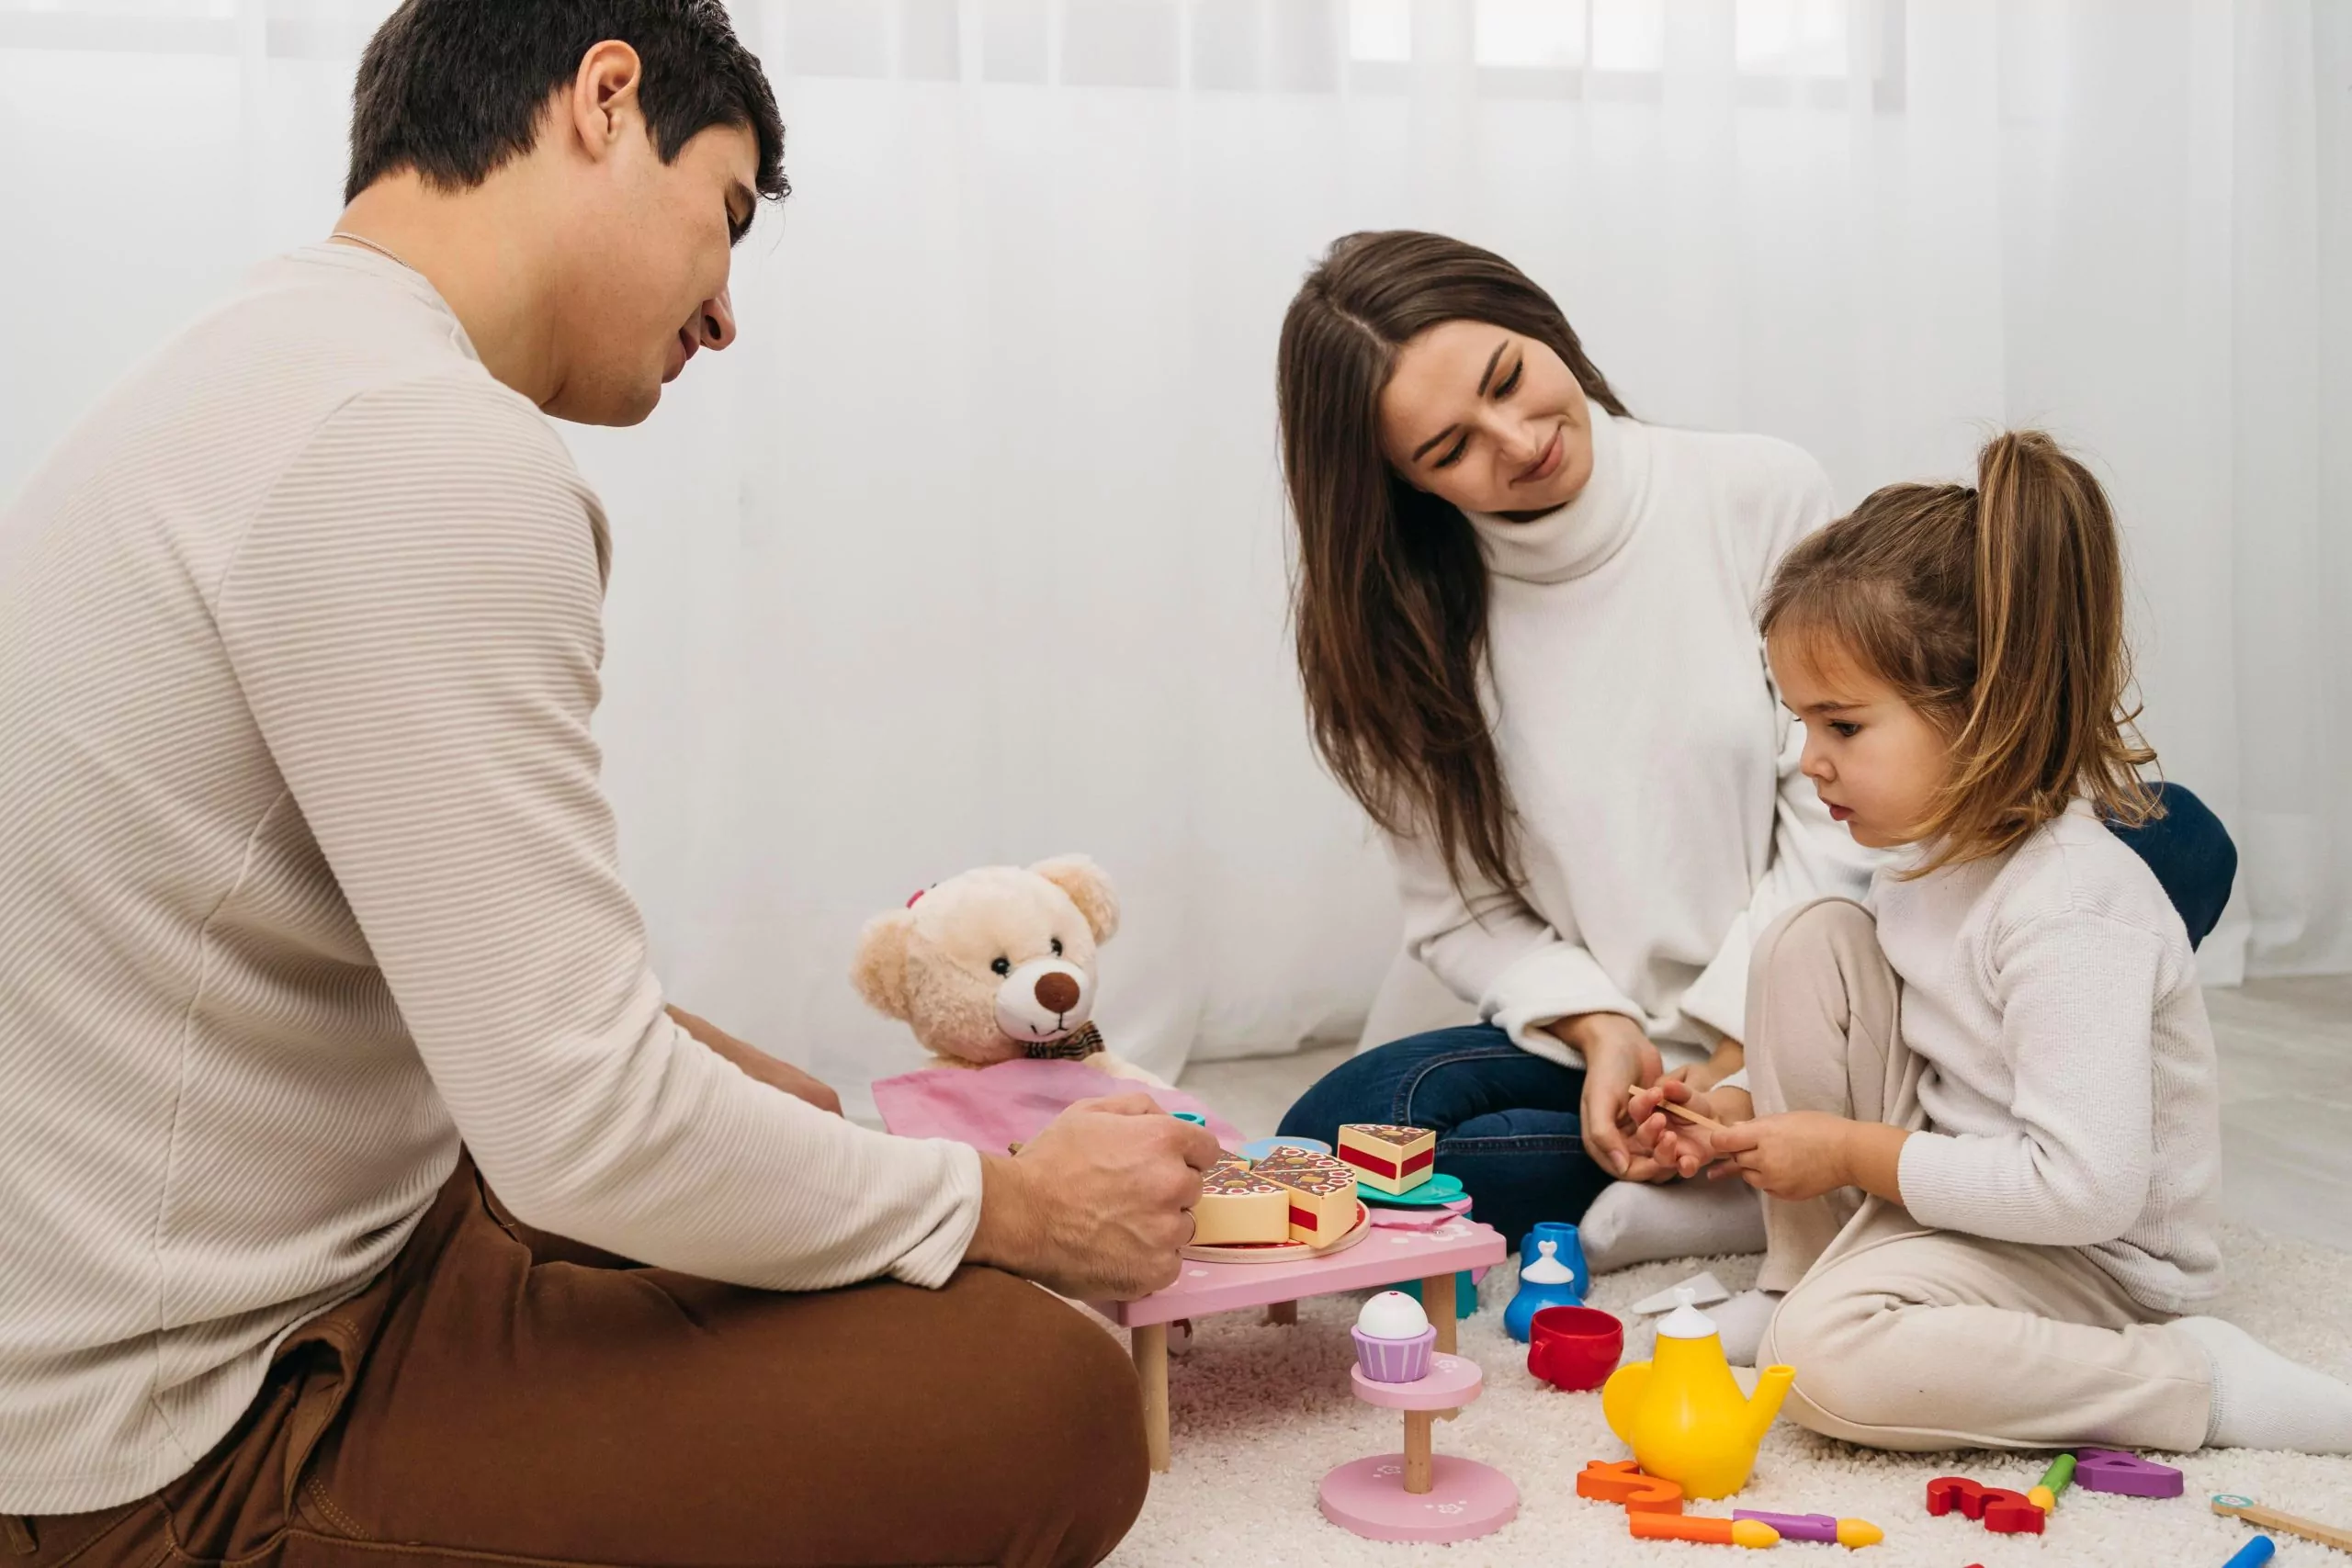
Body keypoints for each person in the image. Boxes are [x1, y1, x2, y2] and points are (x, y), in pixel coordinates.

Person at [0, 6, 1214, 1566]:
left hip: (308, 1220)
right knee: (1045, 1394)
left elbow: (473, 994)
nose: (724, 319)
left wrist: (898, 1181)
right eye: (723, 217)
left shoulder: (272, 362)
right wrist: (1026, 1205)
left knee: (792, 1120)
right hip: (190, 1426)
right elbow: (582, 1122)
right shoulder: (414, 449)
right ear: (605, 96)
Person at [1271, 230, 2238, 1256]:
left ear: (1537, 322)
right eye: (1448, 447)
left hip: (1864, 985)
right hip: (1633, 1045)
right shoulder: (1394, 636)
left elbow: (1843, 787)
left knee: (2167, 839)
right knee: (1334, 1134)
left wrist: (1742, 1046)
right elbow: (1462, 910)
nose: (1515, 440)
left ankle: (1805, 1143)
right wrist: (1603, 1037)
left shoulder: (1754, 489)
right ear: (1398, 483)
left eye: (1509, 380)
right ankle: (1772, 1167)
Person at [1633, 431, 2352, 1452]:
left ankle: (2193, 1378)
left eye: (1842, 728)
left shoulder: (2069, 909)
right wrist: (1736, 1115)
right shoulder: (1925, 866)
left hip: (2095, 1265)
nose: (1809, 762)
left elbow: (2083, 1191)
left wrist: (1843, 1149)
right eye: (1800, 725)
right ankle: (1798, 1270)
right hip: (1963, 1204)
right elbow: (1928, 1067)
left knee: (1830, 1366)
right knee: (1808, 938)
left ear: (1985, 714)